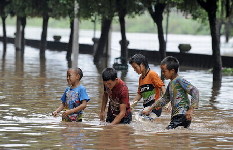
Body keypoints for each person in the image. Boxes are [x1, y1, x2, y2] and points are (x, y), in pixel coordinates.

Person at [143, 56, 199, 129]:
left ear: (172, 71)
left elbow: (195, 91)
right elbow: (164, 99)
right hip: (178, 116)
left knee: (167, 133)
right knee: (178, 137)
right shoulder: (171, 84)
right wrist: (150, 108)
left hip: (182, 114)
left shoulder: (179, 80)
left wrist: (191, 110)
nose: (162, 73)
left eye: (164, 71)